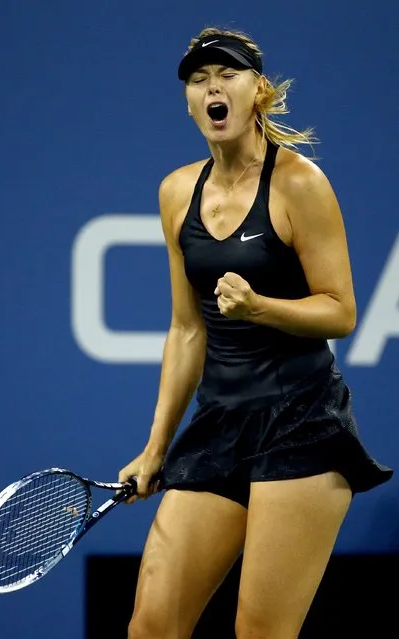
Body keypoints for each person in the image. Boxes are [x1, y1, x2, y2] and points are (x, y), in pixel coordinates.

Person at [118, 27, 393, 639]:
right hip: (220, 424)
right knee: (151, 627)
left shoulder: (300, 183)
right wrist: (156, 446)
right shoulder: (175, 192)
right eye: (198, 79)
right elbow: (188, 329)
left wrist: (260, 308)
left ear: (258, 91)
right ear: (189, 102)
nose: (213, 87)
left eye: (228, 75)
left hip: (302, 424)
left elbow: (341, 312)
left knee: (260, 633)